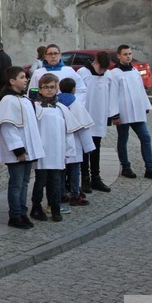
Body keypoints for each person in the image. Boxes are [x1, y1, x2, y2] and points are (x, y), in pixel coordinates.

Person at [0, 66, 45, 230]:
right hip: (19, 153)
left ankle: (22, 212)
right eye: (22, 77)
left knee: (23, 183)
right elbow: (8, 128)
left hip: (27, 151)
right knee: (16, 184)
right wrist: (19, 150)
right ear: (12, 81)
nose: (26, 80)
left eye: (26, 77)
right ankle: (15, 215)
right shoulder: (8, 101)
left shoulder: (24, 99)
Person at [29, 74, 82, 223]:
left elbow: (68, 132)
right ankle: (36, 207)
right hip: (42, 152)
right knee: (40, 181)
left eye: (52, 87)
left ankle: (55, 207)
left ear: (57, 88)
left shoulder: (61, 108)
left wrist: (69, 151)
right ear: (40, 89)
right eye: (46, 87)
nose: (49, 90)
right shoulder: (35, 107)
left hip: (57, 152)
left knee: (56, 182)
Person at [111, 45, 152, 180]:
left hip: (137, 111)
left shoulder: (135, 71)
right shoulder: (114, 73)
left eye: (130, 54)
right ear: (119, 56)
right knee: (123, 139)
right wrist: (114, 114)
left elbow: (141, 90)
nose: (128, 56)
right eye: (125, 54)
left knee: (145, 137)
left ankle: (150, 168)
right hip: (123, 112)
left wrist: (145, 105)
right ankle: (125, 167)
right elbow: (112, 95)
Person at [77, 51, 119, 193]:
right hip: (85, 115)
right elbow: (78, 95)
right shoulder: (83, 73)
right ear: (95, 62)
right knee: (84, 149)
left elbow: (112, 95)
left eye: (105, 69)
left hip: (99, 117)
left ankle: (96, 177)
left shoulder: (108, 74)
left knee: (96, 147)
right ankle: (85, 179)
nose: (102, 71)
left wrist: (112, 114)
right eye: (101, 68)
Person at [57, 78, 95, 207]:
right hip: (75, 141)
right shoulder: (76, 104)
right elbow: (84, 127)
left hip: (59, 141)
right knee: (74, 169)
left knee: (61, 169)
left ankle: (61, 193)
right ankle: (75, 194)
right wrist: (88, 146)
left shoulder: (55, 102)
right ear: (74, 89)